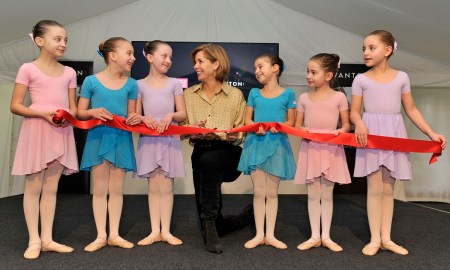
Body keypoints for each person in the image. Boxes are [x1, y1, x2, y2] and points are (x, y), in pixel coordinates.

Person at [350, 30, 446, 256]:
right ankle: (374, 239)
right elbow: (354, 111)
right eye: (364, 48)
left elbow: (411, 109)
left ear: (388, 50)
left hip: (394, 133)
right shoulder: (360, 79)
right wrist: (360, 124)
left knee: (387, 188)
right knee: (374, 188)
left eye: (371, 48)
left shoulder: (402, 77)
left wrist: (431, 133)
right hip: (370, 134)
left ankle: (387, 238)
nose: (366, 52)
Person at [10, 20, 78, 260]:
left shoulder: (69, 72)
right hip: (37, 129)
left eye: (65, 39)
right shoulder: (27, 68)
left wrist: (69, 117)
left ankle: (47, 239)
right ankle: (34, 240)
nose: (63, 43)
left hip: (60, 131)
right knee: (34, 186)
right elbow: (15, 105)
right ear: (39, 41)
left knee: (51, 187)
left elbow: (73, 109)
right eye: (57, 39)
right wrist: (43, 114)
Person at [182, 43, 253, 254]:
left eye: (200, 61)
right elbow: (182, 128)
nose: (195, 66)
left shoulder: (235, 95)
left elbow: (242, 131)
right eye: (195, 62)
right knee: (203, 160)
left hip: (228, 152)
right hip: (202, 151)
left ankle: (210, 225)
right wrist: (191, 132)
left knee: (207, 160)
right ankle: (221, 223)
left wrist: (235, 134)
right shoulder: (188, 94)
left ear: (216, 65)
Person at [77, 37, 141, 252]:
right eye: (129, 53)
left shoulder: (132, 84)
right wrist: (92, 112)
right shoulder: (91, 82)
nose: (133, 58)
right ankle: (100, 236)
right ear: (112, 56)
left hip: (121, 138)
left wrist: (134, 117)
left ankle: (114, 235)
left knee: (116, 189)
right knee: (100, 189)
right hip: (97, 137)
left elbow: (132, 112)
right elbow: (79, 111)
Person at [238, 54, 296, 250]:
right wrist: (256, 126)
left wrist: (279, 126)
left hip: (277, 145)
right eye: (255, 68)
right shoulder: (254, 92)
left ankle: (270, 235)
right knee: (259, 191)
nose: (257, 71)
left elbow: (291, 122)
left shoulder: (288, 94)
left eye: (260, 66)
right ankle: (259, 234)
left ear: (275, 68)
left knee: (272, 192)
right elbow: (247, 120)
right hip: (256, 144)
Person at [294, 53, 351, 252]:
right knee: (312, 194)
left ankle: (326, 236)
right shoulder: (303, 98)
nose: (308, 75)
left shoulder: (339, 97)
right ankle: (314, 236)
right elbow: (297, 125)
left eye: (313, 72)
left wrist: (340, 132)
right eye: (307, 71)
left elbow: (346, 125)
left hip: (331, 148)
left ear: (328, 76)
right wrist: (303, 131)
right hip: (311, 147)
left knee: (327, 194)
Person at [135, 40, 186, 246]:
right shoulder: (138, 85)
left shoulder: (175, 83)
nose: (168, 60)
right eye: (164, 56)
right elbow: (135, 114)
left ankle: (166, 231)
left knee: (167, 186)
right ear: (149, 57)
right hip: (149, 139)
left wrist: (171, 114)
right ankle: (154, 231)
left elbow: (182, 114)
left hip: (169, 139)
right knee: (153, 186)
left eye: (170, 57)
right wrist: (142, 118)